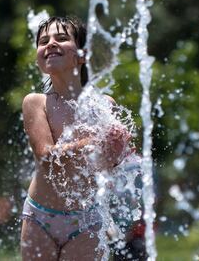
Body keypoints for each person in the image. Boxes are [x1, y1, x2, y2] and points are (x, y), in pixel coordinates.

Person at [20, 16, 131, 260]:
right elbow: (46, 156)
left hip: (85, 219)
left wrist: (117, 151)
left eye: (61, 38)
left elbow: (104, 166)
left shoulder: (104, 105)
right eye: (43, 41)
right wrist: (91, 142)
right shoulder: (36, 102)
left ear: (82, 55)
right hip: (41, 216)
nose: (50, 44)